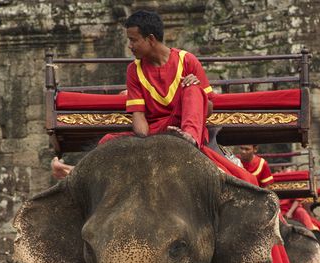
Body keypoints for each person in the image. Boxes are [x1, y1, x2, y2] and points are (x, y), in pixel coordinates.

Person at [50, 10, 216, 178]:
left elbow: (208, 109)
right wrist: (143, 144)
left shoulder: (187, 60)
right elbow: (139, 116)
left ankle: (189, 141)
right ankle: (76, 172)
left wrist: (196, 88)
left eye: (133, 40)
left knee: (192, 88)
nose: (130, 45)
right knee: (107, 141)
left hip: (185, 127)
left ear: (150, 39)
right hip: (157, 130)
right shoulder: (134, 70)